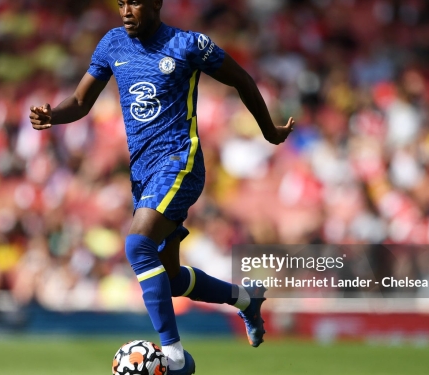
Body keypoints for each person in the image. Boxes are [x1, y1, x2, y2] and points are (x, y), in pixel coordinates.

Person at [29, 1, 294, 373]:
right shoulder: (111, 44)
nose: (125, 10)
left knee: (138, 246)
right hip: (143, 176)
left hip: (180, 163)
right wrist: (52, 115)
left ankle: (173, 357)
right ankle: (246, 298)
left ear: (156, 3)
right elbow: (79, 101)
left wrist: (269, 131)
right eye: (120, 2)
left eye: (133, 2)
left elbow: (242, 79)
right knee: (168, 280)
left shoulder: (187, 45)